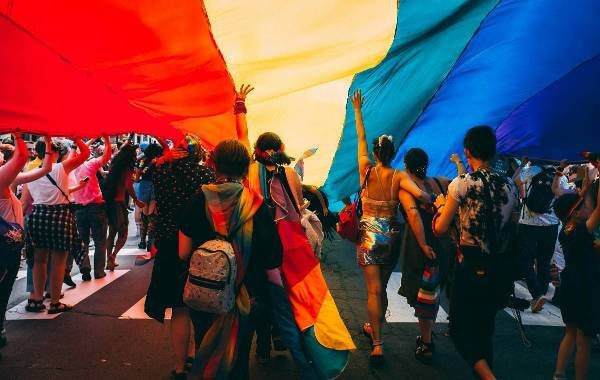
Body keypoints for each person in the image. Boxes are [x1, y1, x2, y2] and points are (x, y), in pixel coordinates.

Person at [179, 139, 283, 380]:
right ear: (246, 167)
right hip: (246, 296)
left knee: (205, 348)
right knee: (238, 359)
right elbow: (271, 262)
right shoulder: (256, 205)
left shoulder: (200, 198)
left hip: (204, 293)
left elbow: (183, 252)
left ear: (214, 165)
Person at [350, 90, 432, 365]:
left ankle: (377, 344)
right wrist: (434, 200)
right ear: (394, 153)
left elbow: (360, 138)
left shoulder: (366, 169)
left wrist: (358, 111)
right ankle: (374, 328)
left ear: (375, 153)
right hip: (392, 234)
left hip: (369, 233)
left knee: (373, 291)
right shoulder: (399, 176)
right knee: (381, 289)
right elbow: (421, 196)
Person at [433, 126, 519, 380]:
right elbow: (512, 227)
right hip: (498, 266)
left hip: (470, 265)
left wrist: (440, 207)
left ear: (467, 151)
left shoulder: (462, 184)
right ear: (493, 152)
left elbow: (440, 228)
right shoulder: (510, 186)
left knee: (459, 330)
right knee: (485, 330)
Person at [144, 135, 215, 379]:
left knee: (179, 308)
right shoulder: (205, 176)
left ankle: (178, 366)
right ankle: (197, 354)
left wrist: (163, 159)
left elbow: (148, 168)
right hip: (199, 245)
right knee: (201, 304)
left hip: (169, 246)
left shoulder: (161, 173)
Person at [21, 137, 90, 314]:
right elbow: (86, 154)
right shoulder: (61, 167)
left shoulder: (31, 172)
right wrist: (76, 137)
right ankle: (54, 302)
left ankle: (36, 299)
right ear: (56, 153)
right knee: (58, 262)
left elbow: (26, 201)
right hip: (60, 215)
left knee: (39, 261)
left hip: (37, 216)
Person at [397, 148, 453, 362]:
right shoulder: (441, 183)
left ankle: (427, 341)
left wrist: (422, 244)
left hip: (420, 246)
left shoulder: (406, 188)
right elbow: (460, 185)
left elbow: (413, 215)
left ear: (406, 165)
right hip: (443, 242)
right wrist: (458, 164)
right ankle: (427, 333)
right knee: (433, 290)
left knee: (423, 294)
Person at [0, 133, 52, 357]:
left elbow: (43, 170)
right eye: (2, 159)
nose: (3, 161)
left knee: (4, 288)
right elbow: (21, 157)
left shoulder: (8, 183)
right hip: (3, 248)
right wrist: (19, 134)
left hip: (8, 247)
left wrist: (49, 146)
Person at [552, 184, 600, 380]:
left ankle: (559, 373)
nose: (589, 208)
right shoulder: (582, 231)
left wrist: (588, 185)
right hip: (585, 288)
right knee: (584, 341)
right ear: (575, 213)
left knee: (570, 333)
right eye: (585, 206)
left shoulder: (567, 230)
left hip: (569, 285)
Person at [515, 159, 569, 313]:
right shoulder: (561, 176)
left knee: (525, 260)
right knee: (544, 262)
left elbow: (516, 181)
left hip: (528, 223)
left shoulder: (533, 170)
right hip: (551, 224)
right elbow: (561, 198)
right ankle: (541, 295)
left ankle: (537, 294)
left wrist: (522, 164)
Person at [70, 134, 112, 280]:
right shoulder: (91, 164)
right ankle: (99, 271)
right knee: (100, 240)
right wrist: (106, 140)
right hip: (96, 207)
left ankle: (85, 268)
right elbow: (106, 156)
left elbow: (77, 151)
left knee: (83, 241)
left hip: (79, 209)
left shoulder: (71, 167)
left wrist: (81, 141)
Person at [102, 141, 145, 270]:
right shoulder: (127, 168)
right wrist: (136, 200)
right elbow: (128, 185)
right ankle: (113, 256)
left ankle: (109, 259)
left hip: (109, 202)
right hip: (119, 203)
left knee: (112, 232)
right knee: (123, 233)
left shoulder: (114, 165)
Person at [135, 142, 162, 250]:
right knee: (152, 214)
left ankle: (142, 241)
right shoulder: (159, 161)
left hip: (144, 185)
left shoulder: (142, 160)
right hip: (155, 185)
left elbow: (138, 174)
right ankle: (150, 241)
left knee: (144, 214)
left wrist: (137, 179)